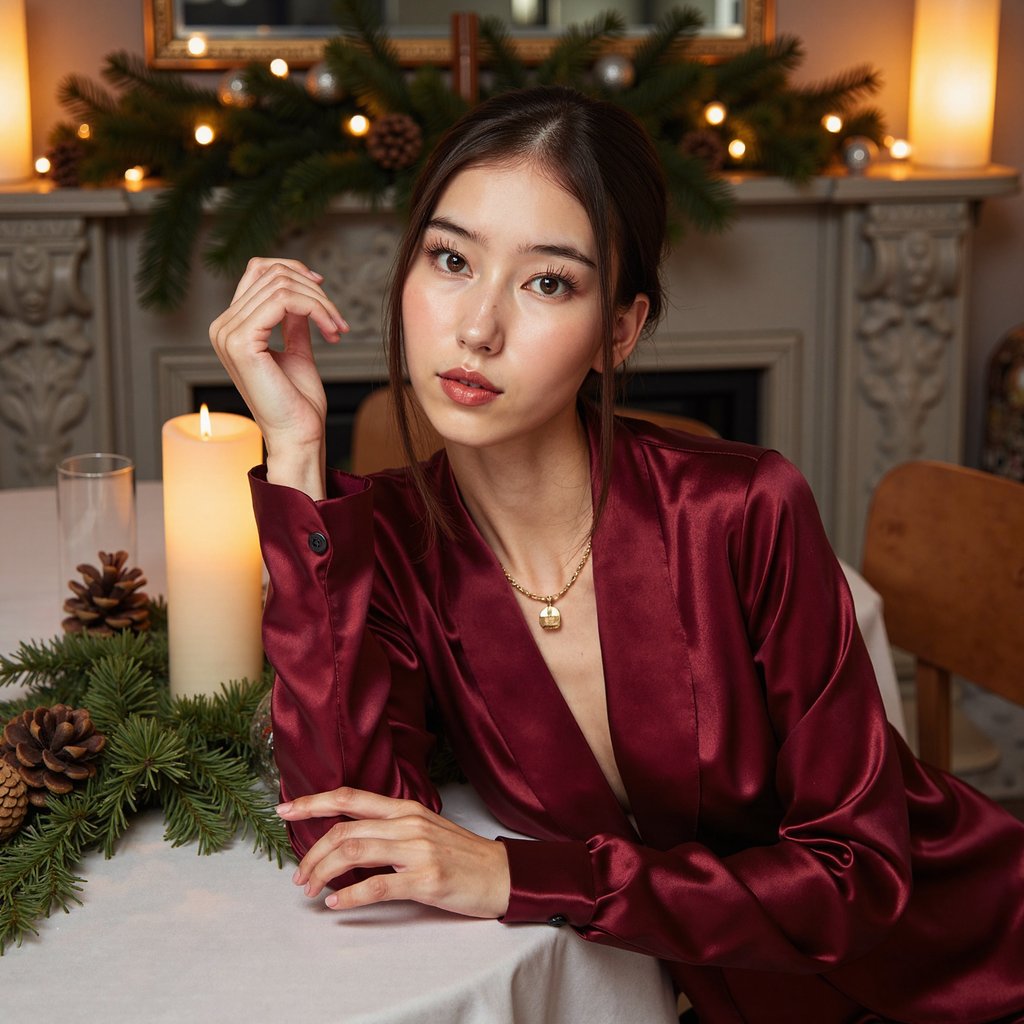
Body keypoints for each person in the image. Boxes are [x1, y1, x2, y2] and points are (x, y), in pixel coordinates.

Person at [210, 86, 1024, 1023]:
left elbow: (855, 879)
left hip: (955, 978)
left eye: (548, 282)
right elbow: (349, 834)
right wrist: (296, 451)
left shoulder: (741, 511)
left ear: (620, 331)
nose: (478, 327)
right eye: (451, 259)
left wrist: (519, 875)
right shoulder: (391, 542)